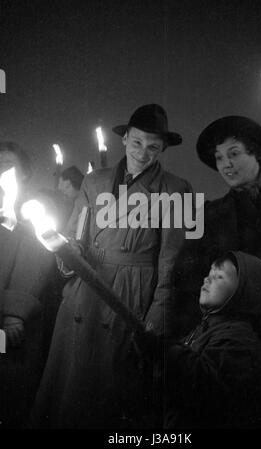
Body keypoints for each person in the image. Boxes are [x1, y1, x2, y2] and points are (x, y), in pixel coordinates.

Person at [31, 104, 193, 428]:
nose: (143, 153)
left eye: (153, 147)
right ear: (125, 140)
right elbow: (78, 234)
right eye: (137, 143)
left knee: (113, 390)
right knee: (70, 387)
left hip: (129, 296)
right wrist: (66, 252)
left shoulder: (176, 189)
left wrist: (157, 315)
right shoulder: (94, 181)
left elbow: (170, 260)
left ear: (162, 149)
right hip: (86, 288)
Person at [172, 116, 261, 426]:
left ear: (256, 152)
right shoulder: (213, 216)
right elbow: (188, 282)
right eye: (218, 157)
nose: (225, 164)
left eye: (234, 153)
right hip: (240, 346)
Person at [136, 251, 261, 428]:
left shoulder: (240, 342)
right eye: (209, 273)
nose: (207, 279)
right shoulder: (207, 328)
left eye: (219, 276)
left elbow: (203, 384)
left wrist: (162, 350)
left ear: (242, 292)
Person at [0, 141, 54, 428]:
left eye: (8, 164)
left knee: (10, 398)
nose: (1, 169)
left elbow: (36, 257)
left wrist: (14, 312)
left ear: (23, 173)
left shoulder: (32, 209)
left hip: (13, 328)